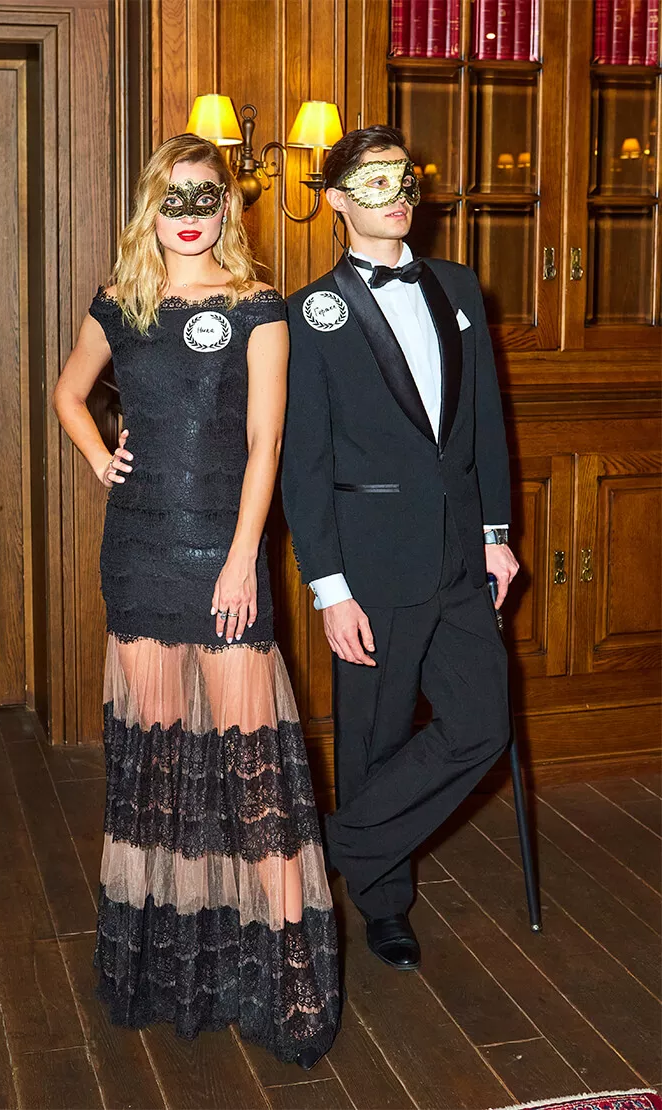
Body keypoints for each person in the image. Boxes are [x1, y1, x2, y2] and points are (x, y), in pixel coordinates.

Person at [52, 134, 339, 1068]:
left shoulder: (259, 305)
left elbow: (265, 446)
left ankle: (286, 981)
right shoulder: (122, 301)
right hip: (138, 554)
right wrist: (100, 458)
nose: (188, 215)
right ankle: (175, 972)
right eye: (172, 199)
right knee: (160, 764)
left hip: (224, 551)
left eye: (204, 197)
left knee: (253, 769)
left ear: (227, 206)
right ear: (151, 206)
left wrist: (242, 558)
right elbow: (68, 393)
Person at [282, 125, 519, 971]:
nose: (398, 195)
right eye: (375, 182)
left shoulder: (456, 285)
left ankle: (338, 844)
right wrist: (330, 588)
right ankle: (383, 904)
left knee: (482, 724)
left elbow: (485, 419)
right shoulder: (310, 312)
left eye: (405, 178)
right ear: (336, 202)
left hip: (461, 555)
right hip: (372, 564)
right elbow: (303, 464)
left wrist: (497, 536)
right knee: (374, 737)